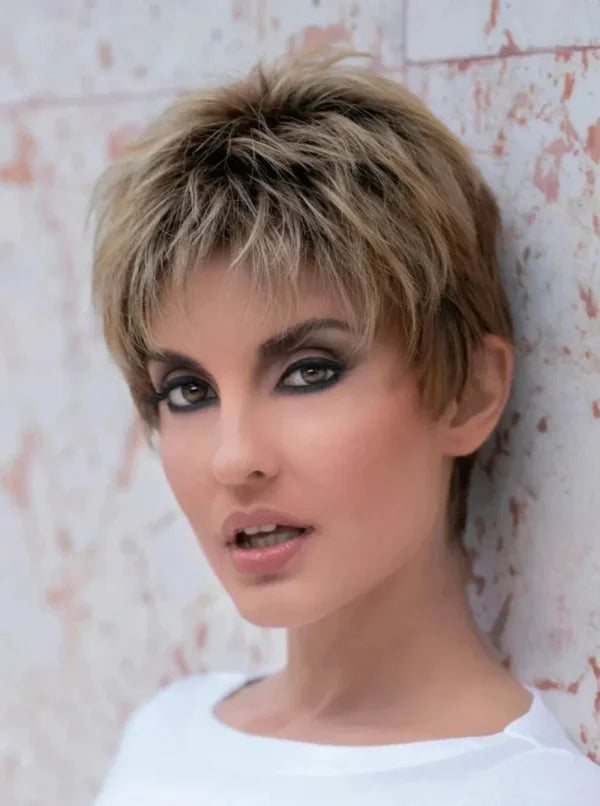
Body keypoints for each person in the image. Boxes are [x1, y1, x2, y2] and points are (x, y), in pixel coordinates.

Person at [89, 52, 600, 805]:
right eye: (189, 390)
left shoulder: (532, 791)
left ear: (468, 391)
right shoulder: (162, 735)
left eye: (308, 372)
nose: (234, 459)